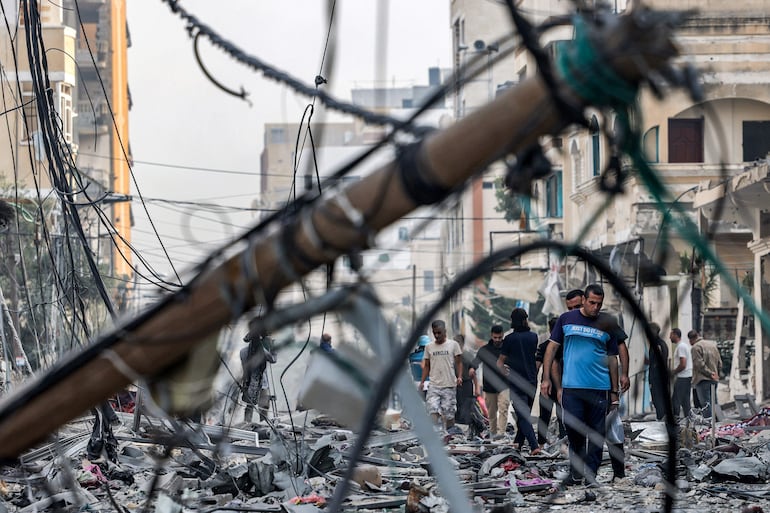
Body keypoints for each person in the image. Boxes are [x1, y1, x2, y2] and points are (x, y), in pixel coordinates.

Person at [541, 284, 620, 486]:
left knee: (596, 434)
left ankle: (590, 475)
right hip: (572, 388)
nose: (595, 307)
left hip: (598, 388)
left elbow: (612, 358)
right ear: (584, 300)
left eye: (599, 304)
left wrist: (614, 390)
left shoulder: (607, 323)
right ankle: (576, 472)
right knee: (573, 431)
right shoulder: (566, 319)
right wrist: (546, 379)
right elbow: (552, 348)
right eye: (592, 302)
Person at [498, 308, 540, 455]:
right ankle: (518, 442)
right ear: (525, 320)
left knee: (523, 416)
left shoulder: (509, 339)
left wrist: (506, 373)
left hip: (516, 383)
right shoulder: (534, 337)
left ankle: (534, 446)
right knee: (524, 415)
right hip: (532, 381)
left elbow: (500, 363)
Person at [419, 320, 463, 431]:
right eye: (435, 333)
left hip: (449, 384)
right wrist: (422, 381)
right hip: (434, 385)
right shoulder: (429, 347)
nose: (437, 335)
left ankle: (450, 433)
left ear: (445, 331)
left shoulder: (453, 345)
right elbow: (427, 366)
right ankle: (437, 434)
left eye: (439, 332)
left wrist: (459, 376)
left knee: (448, 412)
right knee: (432, 410)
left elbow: (458, 362)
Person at [472, 325, 510, 437]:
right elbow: (475, 362)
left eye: (499, 337)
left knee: (503, 409)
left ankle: (501, 433)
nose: (497, 340)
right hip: (489, 387)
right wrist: (471, 368)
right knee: (492, 413)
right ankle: (493, 433)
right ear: (491, 336)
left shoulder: (507, 349)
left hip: (504, 385)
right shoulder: (484, 350)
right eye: (495, 337)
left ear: (503, 335)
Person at [536, 317, 565, 445]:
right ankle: (564, 442)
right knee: (562, 416)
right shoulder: (566, 346)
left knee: (544, 416)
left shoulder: (543, 346)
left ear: (549, 329)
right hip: (562, 386)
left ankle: (541, 443)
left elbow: (536, 366)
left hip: (546, 387)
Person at [240, 334, 277, 423]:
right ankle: (247, 426)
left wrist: (266, 349)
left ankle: (263, 425)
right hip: (250, 384)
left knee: (263, 408)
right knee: (250, 407)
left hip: (262, 384)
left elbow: (273, 359)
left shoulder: (262, 352)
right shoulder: (244, 352)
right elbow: (273, 359)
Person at [689, 330, 722, 418]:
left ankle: (709, 425)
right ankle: (717, 424)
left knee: (706, 404)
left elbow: (699, 364)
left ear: (691, 339)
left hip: (703, 379)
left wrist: (710, 373)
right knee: (714, 402)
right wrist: (716, 374)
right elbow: (720, 362)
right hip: (714, 379)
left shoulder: (696, 347)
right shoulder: (712, 345)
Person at [644, 322, 670, 420]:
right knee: (659, 399)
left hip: (657, 377)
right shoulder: (660, 344)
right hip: (659, 376)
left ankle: (661, 418)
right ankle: (662, 418)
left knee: (658, 399)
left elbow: (659, 362)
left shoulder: (658, 345)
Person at [454, 334, 479, 425]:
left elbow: (473, 373)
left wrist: (477, 388)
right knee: (456, 406)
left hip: (467, 384)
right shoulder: (451, 356)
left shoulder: (468, 355)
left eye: (458, 343)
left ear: (462, 344)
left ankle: (467, 424)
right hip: (455, 384)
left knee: (467, 406)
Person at [670, 328, 692, 418]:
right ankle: (688, 419)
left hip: (683, 377)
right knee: (685, 401)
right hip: (687, 376)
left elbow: (683, 364)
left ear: (675, 335)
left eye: (671, 334)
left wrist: (674, 372)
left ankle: (676, 420)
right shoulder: (683, 346)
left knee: (676, 400)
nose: (669, 337)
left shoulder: (681, 347)